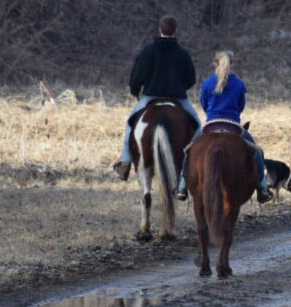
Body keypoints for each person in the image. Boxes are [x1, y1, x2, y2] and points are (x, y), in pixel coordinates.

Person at [176, 50, 273, 204]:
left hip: (211, 125)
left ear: (215, 64)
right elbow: (241, 106)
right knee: (257, 152)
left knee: (189, 150)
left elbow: (204, 105)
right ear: (231, 65)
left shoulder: (207, 83)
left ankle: (181, 186)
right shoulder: (239, 84)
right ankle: (263, 189)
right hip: (233, 126)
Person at [112, 15, 202, 180]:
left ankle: (125, 162)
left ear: (160, 29)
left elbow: (136, 76)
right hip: (178, 98)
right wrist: (180, 87)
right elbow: (191, 79)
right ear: (175, 31)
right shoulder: (183, 53)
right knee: (198, 126)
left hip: (151, 97)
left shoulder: (147, 51)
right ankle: (195, 161)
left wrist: (135, 91)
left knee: (130, 123)